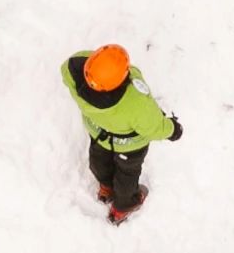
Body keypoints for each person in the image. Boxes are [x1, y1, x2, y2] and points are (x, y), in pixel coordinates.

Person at [64, 43, 177, 221]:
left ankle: (106, 187)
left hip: (99, 133)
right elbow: (153, 127)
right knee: (127, 173)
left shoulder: (73, 74)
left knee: (99, 159)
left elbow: (76, 63)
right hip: (128, 146)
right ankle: (124, 205)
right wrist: (172, 130)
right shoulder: (134, 103)